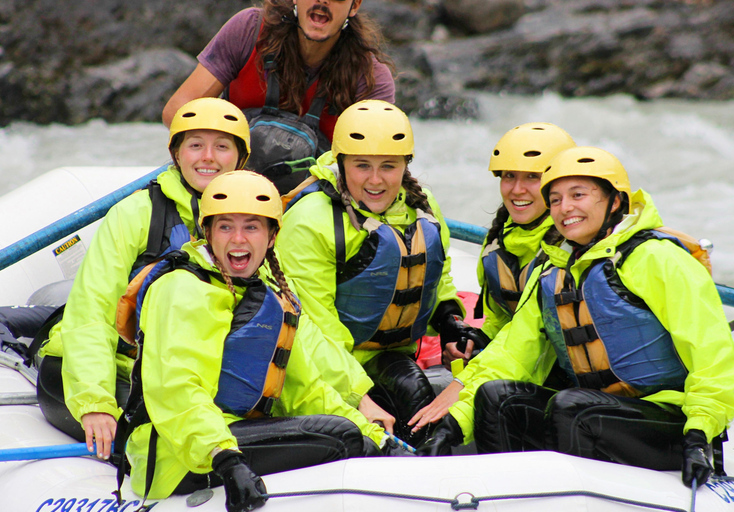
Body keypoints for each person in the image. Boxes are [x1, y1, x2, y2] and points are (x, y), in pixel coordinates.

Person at [420, 146, 734, 490]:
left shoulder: (656, 259)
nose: (565, 208)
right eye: (555, 199)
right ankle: (508, 497)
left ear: (615, 201)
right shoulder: (551, 270)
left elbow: (713, 355)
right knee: (498, 397)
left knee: (571, 406)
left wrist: (699, 433)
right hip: (600, 412)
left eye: (578, 195)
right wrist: (454, 425)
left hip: (672, 420)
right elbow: (511, 356)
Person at [117, 171, 388, 508]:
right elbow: (177, 387)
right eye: (226, 226)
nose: (238, 240)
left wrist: (378, 438)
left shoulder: (267, 292)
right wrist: (227, 458)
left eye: (252, 227)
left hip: (234, 437)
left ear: (272, 237)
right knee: (340, 437)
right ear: (208, 232)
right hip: (178, 456)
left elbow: (305, 389)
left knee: (354, 433)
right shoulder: (182, 289)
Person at [36, 98, 251, 460]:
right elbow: (92, 310)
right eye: (196, 145)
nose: (208, 157)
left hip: (186, 378)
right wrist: (96, 400)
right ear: (177, 153)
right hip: (116, 374)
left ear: (240, 158)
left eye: (222, 146)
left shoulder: (252, 222)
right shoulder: (136, 214)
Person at [276, 99, 484, 447]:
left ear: (406, 165)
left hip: (395, 354)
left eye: (389, 166)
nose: (376, 180)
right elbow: (317, 330)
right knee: (410, 390)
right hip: (330, 364)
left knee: (420, 396)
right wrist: (358, 397)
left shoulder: (422, 205)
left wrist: (449, 323)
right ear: (341, 164)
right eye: (362, 166)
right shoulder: (311, 221)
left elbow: (438, 277)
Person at [408, 122, 576, 434]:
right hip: (526, 365)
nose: (516, 189)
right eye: (509, 176)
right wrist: (477, 340)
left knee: (491, 399)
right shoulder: (501, 239)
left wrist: (460, 389)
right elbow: (502, 321)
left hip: (568, 382)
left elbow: (526, 342)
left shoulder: (567, 252)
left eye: (532, 177)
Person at [162, 0, 395, 141]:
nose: (323, 1)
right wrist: (225, 149)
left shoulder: (371, 79)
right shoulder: (248, 30)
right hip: (233, 180)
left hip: (314, 197)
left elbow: (373, 165)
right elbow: (176, 113)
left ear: (354, 6)